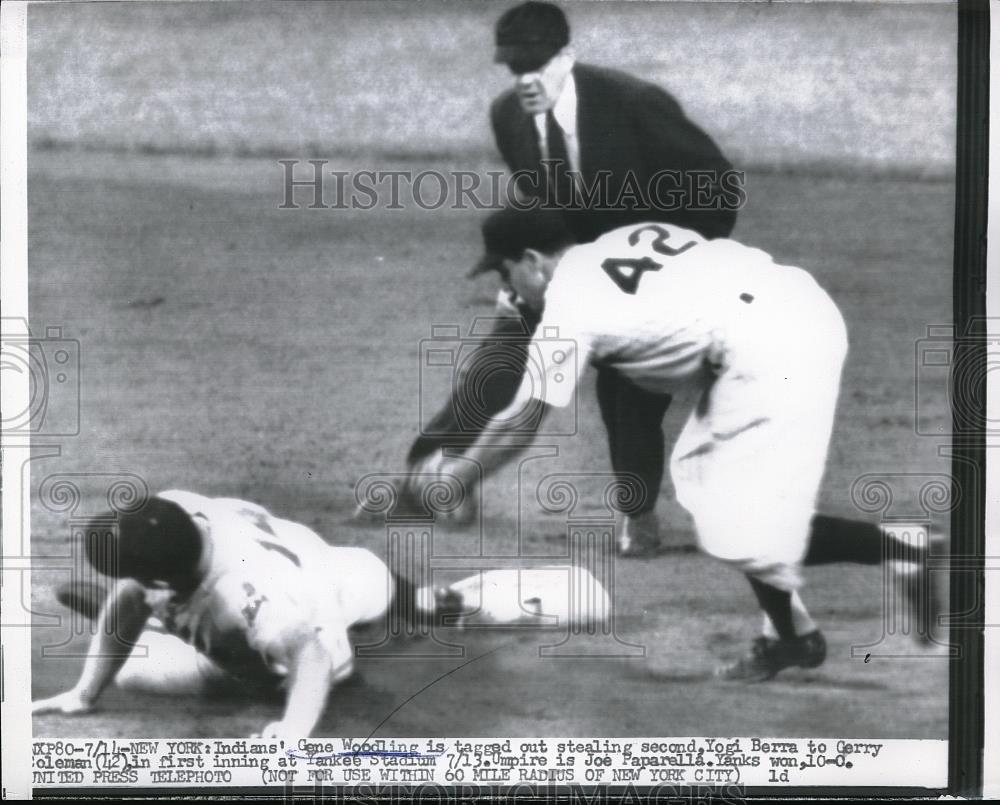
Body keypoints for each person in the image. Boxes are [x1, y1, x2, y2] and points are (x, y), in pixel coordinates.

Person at [411, 207, 943, 680]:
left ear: (532, 261)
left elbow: (521, 422)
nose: (507, 292)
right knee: (707, 485)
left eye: (505, 274)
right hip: (794, 309)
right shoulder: (623, 239)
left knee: (734, 525)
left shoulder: (571, 307)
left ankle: (903, 550)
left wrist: (458, 474)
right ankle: (791, 634)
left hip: (771, 346)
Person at [403, 1, 740, 556]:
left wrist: (671, 260)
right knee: (503, 354)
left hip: (651, 268)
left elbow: (717, 187)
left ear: (567, 56)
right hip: (567, 262)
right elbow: (540, 207)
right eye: (515, 68)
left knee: (627, 387)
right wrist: (526, 276)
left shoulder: (633, 104)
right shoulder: (508, 117)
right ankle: (429, 471)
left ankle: (638, 513)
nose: (525, 79)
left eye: (537, 65)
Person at [31, 490, 397, 739]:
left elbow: (311, 655)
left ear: (160, 579)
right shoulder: (174, 507)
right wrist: (83, 693)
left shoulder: (238, 596)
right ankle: (162, 617)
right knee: (376, 578)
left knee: (132, 672)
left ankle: (163, 623)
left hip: (308, 654)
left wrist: (292, 731)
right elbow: (132, 592)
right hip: (322, 562)